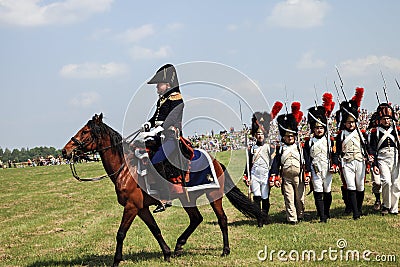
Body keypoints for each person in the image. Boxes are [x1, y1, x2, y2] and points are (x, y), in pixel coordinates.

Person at [142, 63, 184, 213]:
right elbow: (155, 117)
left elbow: (171, 119)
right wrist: (148, 124)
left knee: (157, 161)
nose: (157, 88)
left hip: (171, 137)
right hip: (160, 136)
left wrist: (157, 129)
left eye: (158, 84)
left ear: (167, 84)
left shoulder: (177, 99)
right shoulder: (162, 100)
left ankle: (166, 198)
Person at [269, 102, 311, 225]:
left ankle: (300, 214)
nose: (290, 138)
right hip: (286, 177)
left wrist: (307, 174)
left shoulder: (300, 147)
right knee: (289, 198)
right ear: (283, 137)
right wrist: (275, 176)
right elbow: (276, 164)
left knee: (299, 199)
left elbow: (306, 161)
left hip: (299, 176)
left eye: (292, 136)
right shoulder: (280, 148)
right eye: (287, 136)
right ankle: (292, 219)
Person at [243, 102, 283, 227]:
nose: (260, 136)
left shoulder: (270, 147)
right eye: (258, 134)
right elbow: (248, 164)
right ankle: (259, 219)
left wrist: (273, 176)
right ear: (255, 135)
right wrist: (246, 176)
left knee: (265, 197)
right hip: (254, 175)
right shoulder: (251, 149)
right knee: (257, 197)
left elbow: (274, 163)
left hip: (265, 175)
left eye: (262, 134)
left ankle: (265, 216)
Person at [332, 87, 368, 220]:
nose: (351, 124)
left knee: (360, 186)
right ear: (344, 123)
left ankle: (358, 208)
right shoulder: (340, 135)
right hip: (347, 162)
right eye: (348, 122)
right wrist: (336, 162)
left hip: (359, 160)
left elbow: (367, 147)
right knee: (351, 186)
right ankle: (355, 213)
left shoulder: (361, 133)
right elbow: (337, 152)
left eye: (352, 122)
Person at [304, 93, 336, 223]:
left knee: (327, 192)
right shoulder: (309, 142)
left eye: (321, 127)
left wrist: (335, 165)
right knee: (318, 192)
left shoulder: (330, 140)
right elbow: (307, 157)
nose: (319, 130)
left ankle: (326, 212)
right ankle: (322, 216)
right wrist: (307, 171)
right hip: (315, 169)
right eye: (316, 128)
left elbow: (334, 154)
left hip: (327, 168)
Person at [369, 103, 400, 216]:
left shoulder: (396, 130)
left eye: (388, 118)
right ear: (380, 119)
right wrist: (375, 164)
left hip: (395, 157)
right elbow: (372, 149)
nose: (387, 121)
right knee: (386, 181)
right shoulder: (375, 132)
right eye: (384, 119)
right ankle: (386, 205)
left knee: (396, 184)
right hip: (382, 158)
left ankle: (394, 207)